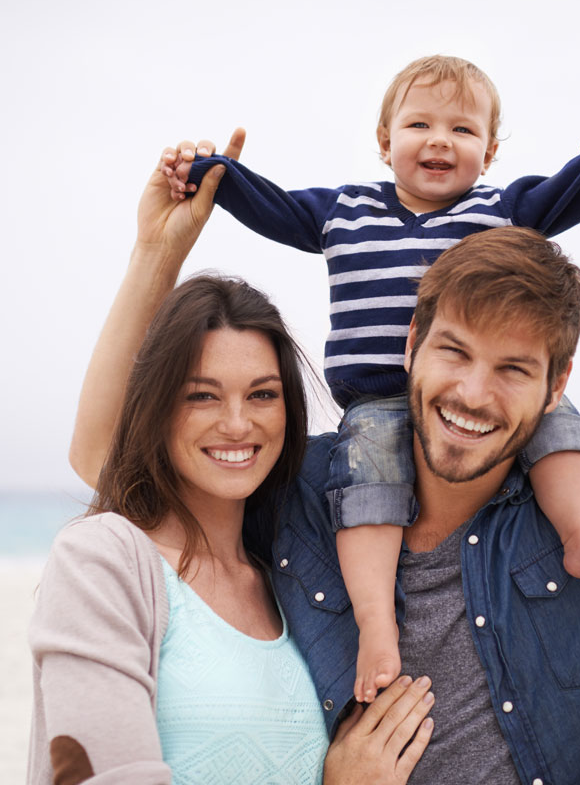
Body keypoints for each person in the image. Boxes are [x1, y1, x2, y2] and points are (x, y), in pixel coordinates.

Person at [78, 111, 580, 782]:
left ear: (558, 385)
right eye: (454, 352)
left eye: (514, 368)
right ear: (413, 343)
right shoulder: (304, 494)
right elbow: (113, 457)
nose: (474, 395)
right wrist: (156, 251)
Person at [163, 54, 580, 701]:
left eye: (463, 131)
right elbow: (268, 205)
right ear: (385, 143)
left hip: (488, 392)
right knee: (367, 483)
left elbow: (577, 184)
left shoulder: (503, 208)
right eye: (419, 125)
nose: (440, 139)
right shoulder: (341, 211)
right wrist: (210, 173)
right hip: (379, 401)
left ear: (489, 152)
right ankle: (378, 624)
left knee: (559, 425)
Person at [28, 160, 435, 784]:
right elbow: (98, 452)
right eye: (201, 395)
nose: (238, 425)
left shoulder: (290, 569)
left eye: (264, 395)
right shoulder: (107, 560)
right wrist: (156, 253)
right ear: (158, 407)